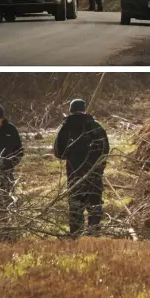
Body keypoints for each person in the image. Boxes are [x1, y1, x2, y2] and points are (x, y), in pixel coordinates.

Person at [54, 99, 109, 237]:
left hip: (74, 173)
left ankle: (76, 237)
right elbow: (105, 150)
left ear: (71, 110)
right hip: (94, 172)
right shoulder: (96, 127)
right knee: (95, 205)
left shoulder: (65, 127)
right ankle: (94, 236)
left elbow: (58, 153)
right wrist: (99, 166)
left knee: (75, 206)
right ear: (84, 110)